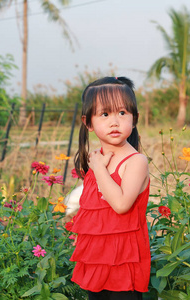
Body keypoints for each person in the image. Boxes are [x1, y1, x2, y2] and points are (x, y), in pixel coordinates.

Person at [69, 77, 150, 300]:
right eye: (105, 114)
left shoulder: (135, 161)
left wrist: (99, 169)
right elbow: (92, 208)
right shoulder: (98, 159)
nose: (114, 122)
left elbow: (121, 205)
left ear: (134, 119)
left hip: (124, 265)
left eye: (122, 113)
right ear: (89, 123)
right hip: (97, 261)